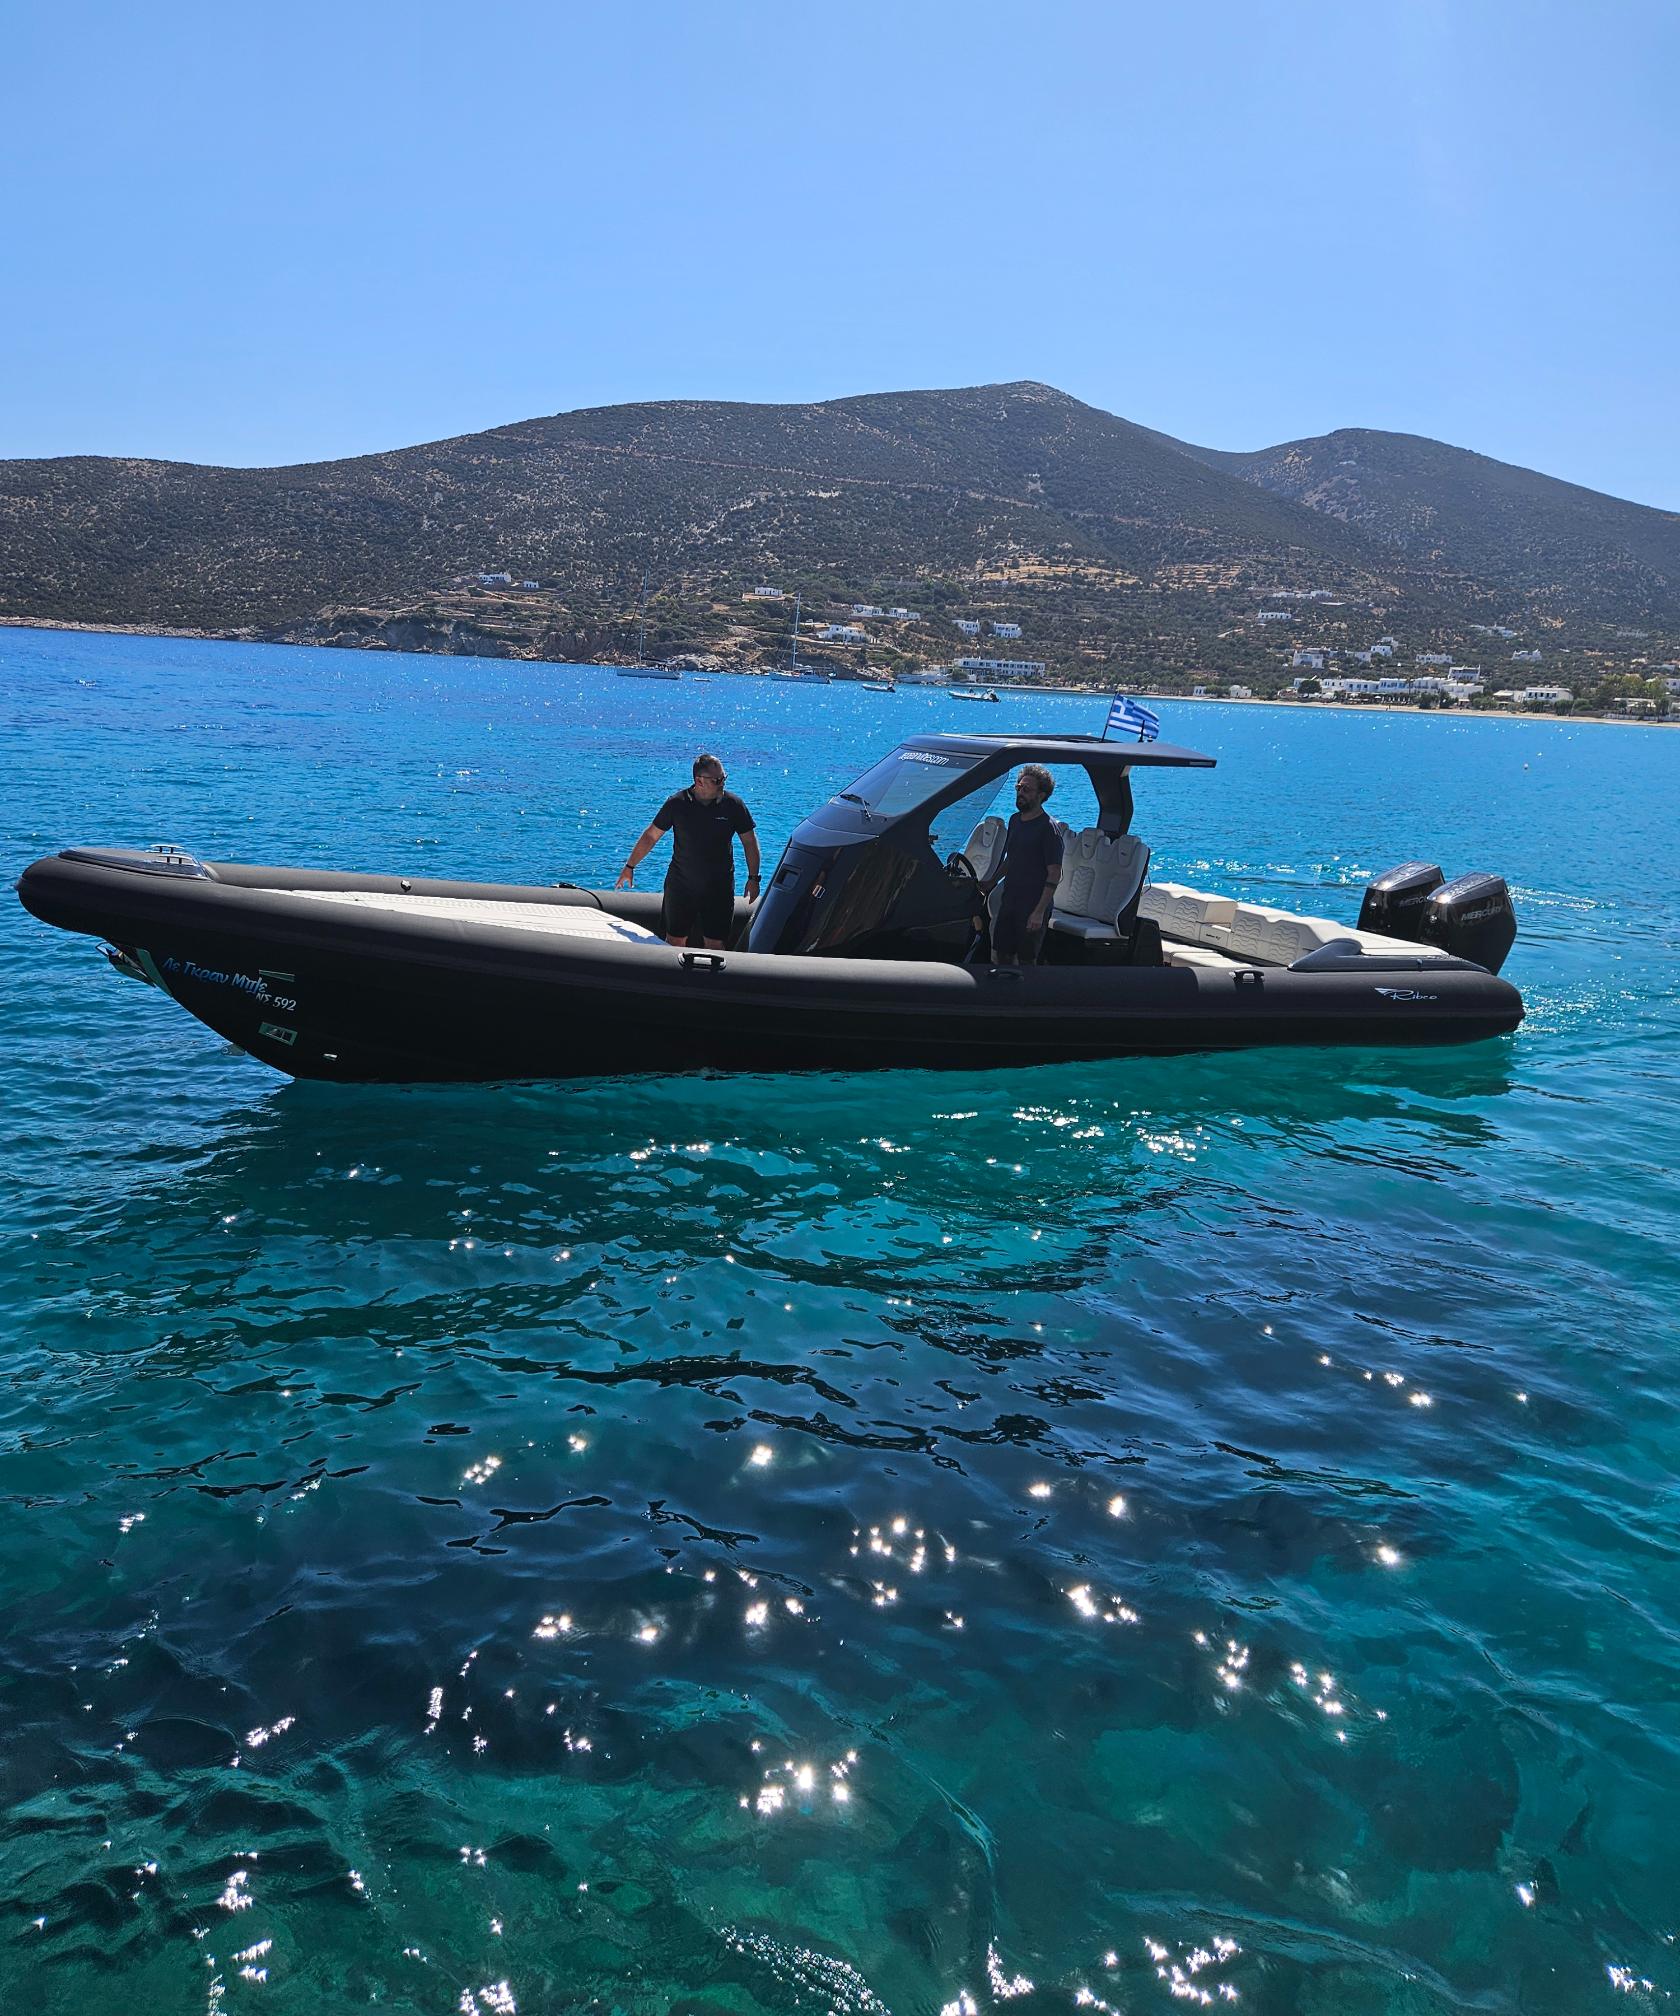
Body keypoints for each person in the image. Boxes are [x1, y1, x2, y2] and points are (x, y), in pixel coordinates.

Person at [616, 753, 761, 948]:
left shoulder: (733, 805)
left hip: (719, 887)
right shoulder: (677, 803)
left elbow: (749, 842)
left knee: (716, 944)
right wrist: (630, 866)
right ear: (699, 781)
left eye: (724, 778)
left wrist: (753, 878)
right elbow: (651, 836)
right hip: (681, 885)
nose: (722, 784)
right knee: (674, 941)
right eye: (717, 780)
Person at [983, 764, 1062, 965]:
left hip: (1032, 905)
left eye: (1026, 789)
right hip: (1010, 901)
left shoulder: (1048, 829)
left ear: (1042, 795)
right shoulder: (1015, 820)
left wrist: (1038, 912)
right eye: (1018, 787)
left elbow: (1054, 874)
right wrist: (991, 881)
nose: (1020, 793)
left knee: (1026, 960)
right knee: (1001, 954)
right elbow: (1012, 859)